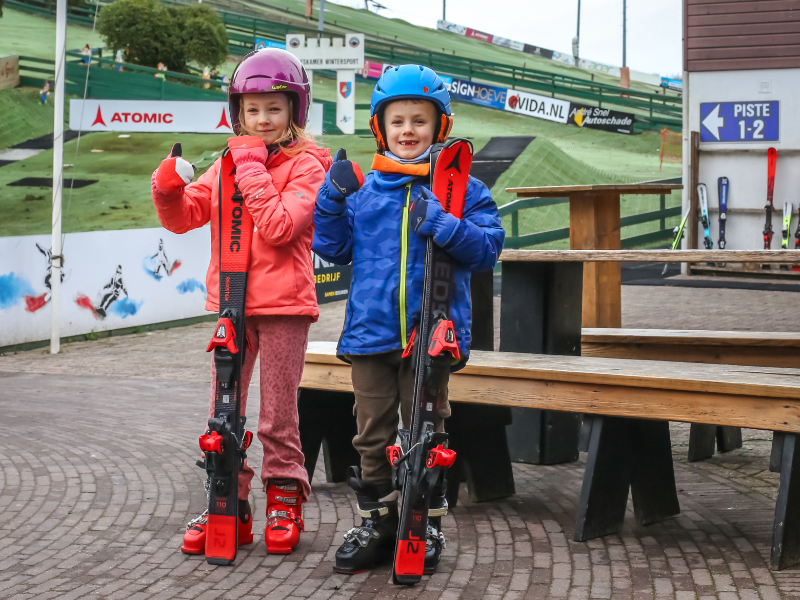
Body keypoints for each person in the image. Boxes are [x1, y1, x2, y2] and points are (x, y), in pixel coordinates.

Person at [312, 65, 504, 574]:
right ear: (381, 128)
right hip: (371, 335)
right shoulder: (366, 193)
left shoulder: (464, 190)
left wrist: (444, 223)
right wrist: (331, 201)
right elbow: (332, 249)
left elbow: (487, 250)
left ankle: (424, 523)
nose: (408, 131)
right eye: (397, 121)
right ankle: (379, 523)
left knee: (425, 433)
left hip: (431, 335)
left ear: (440, 126)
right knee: (371, 435)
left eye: (420, 120)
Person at [150, 48, 331, 556]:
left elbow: (278, 227)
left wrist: (249, 164)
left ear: (295, 109)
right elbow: (184, 216)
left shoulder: (309, 165)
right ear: (239, 112)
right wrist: (166, 186)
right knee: (222, 412)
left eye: (274, 108)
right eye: (253, 110)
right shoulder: (230, 163)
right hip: (232, 305)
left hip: (284, 308)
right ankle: (229, 498)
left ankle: (284, 498)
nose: (263, 119)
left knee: (278, 414)